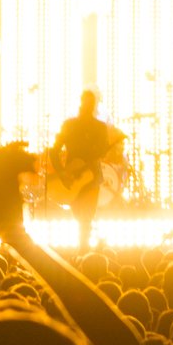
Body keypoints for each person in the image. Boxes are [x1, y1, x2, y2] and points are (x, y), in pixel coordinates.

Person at [51, 90, 113, 252]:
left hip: (80, 177)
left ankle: (82, 251)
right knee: (83, 219)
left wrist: (62, 171)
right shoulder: (87, 126)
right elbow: (55, 150)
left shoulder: (73, 125)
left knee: (83, 219)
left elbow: (54, 150)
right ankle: (83, 253)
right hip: (80, 177)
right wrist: (62, 172)